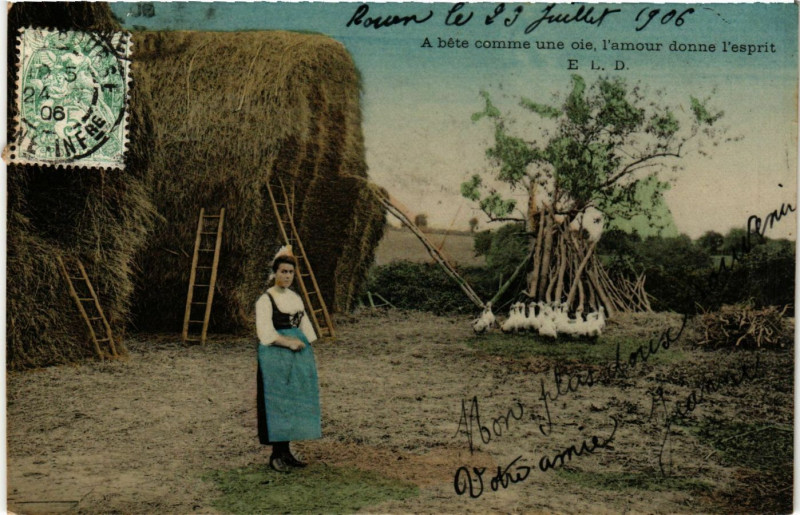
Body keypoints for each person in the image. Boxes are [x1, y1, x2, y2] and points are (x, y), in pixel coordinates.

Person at [255, 248, 321, 472]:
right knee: (277, 402)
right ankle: (276, 455)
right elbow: (265, 333)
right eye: (283, 271)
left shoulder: (295, 298)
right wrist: (288, 342)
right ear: (275, 273)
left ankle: (287, 452)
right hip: (274, 356)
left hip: (296, 357)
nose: (287, 276)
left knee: (293, 400)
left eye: (291, 272)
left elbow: (305, 326)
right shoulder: (265, 299)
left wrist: (307, 348)